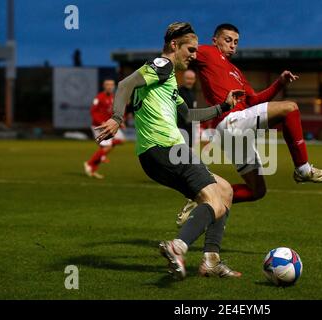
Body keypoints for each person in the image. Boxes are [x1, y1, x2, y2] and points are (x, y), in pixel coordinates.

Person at [95, 22, 243, 279]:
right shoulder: (162, 66)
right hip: (166, 147)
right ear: (174, 46)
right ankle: (178, 246)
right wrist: (117, 117)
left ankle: (210, 260)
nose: (194, 56)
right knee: (214, 200)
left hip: (153, 156)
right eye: (191, 50)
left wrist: (223, 106)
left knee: (225, 190)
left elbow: (188, 113)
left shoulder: (167, 81)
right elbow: (123, 85)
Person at [177, 23, 322, 225]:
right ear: (215, 40)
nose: (232, 45)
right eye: (227, 40)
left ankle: (202, 197)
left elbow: (253, 101)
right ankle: (303, 170)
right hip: (231, 122)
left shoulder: (236, 72)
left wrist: (280, 83)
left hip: (234, 132)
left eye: (236, 42)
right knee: (290, 108)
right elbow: (185, 51)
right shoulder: (207, 53)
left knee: (257, 191)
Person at [84, 79, 126, 179]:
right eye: (107, 84)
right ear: (104, 86)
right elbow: (93, 112)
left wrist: (120, 121)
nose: (109, 86)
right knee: (107, 147)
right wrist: (101, 122)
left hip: (109, 125)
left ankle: (101, 157)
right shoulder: (99, 97)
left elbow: (112, 112)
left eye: (111, 84)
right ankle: (90, 164)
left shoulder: (112, 97)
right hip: (99, 126)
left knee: (121, 140)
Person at [178, 69, 199, 148]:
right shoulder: (178, 92)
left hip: (190, 129)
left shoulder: (192, 93)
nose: (189, 81)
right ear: (183, 79)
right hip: (180, 128)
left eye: (192, 79)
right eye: (188, 78)